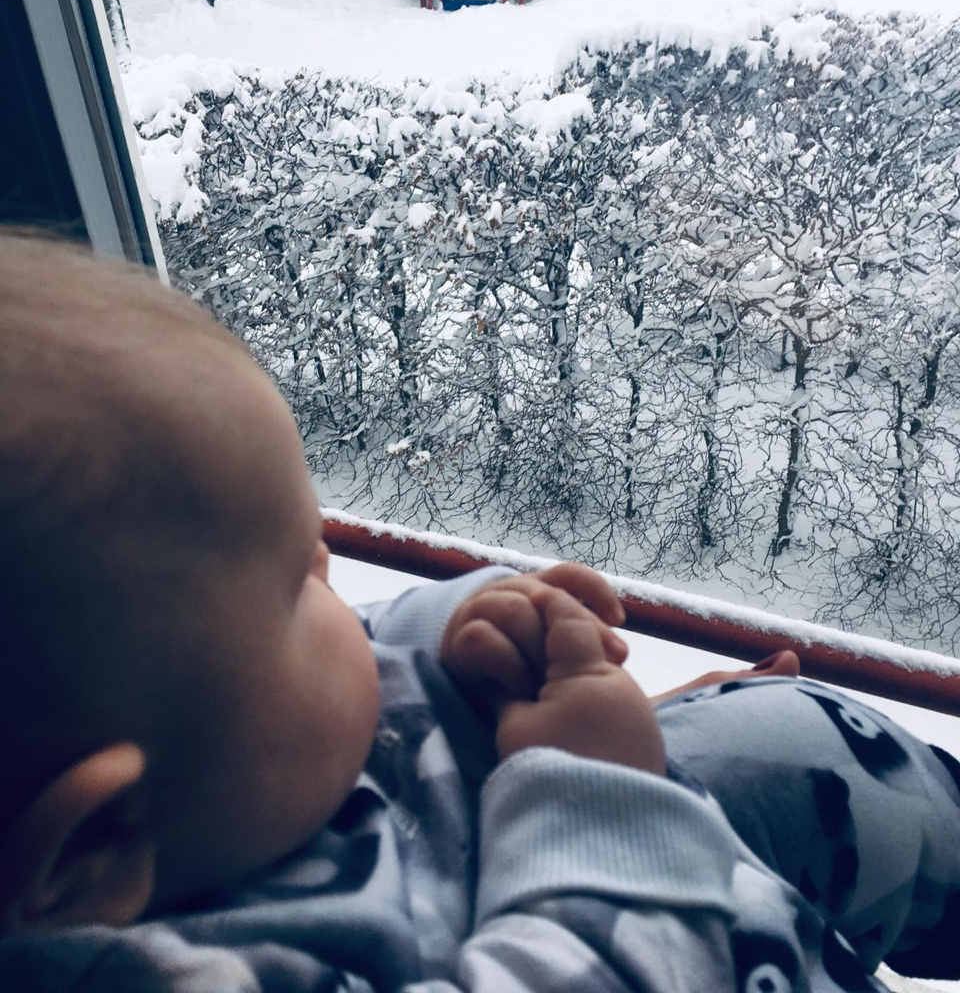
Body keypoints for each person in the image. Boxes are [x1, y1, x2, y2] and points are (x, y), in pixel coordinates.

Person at [0, 229, 957, 992]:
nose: (340, 581)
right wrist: (602, 795)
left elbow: (342, 657)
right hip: (660, 922)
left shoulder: (208, 777)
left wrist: (466, 627)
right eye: (306, 585)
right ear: (100, 839)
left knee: (802, 735)